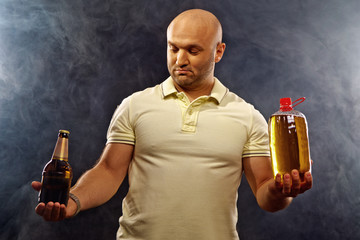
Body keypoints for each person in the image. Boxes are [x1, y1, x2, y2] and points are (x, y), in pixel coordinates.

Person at [32, 9, 312, 240]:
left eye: (193, 50)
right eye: (173, 48)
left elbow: (266, 190)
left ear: (218, 52)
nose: (180, 60)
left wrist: (281, 190)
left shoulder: (247, 115)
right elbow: (108, 171)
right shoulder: (135, 105)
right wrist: (74, 200)